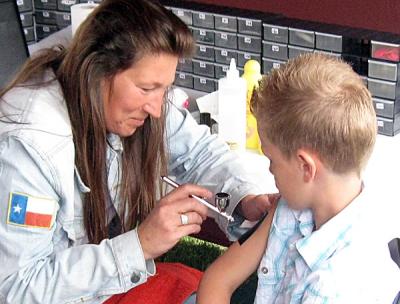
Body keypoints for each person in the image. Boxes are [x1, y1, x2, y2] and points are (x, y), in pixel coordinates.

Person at [0, 0, 273, 303]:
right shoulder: (29, 147)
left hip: (110, 287)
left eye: (164, 89)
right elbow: (16, 290)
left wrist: (243, 200)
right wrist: (140, 245)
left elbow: (198, 153)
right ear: (96, 72)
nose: (157, 109)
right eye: (146, 89)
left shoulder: (137, 93)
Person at [197, 53, 400, 303]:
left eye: (271, 160)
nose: (270, 171)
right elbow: (218, 279)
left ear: (306, 167)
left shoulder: (335, 286)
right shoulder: (292, 205)